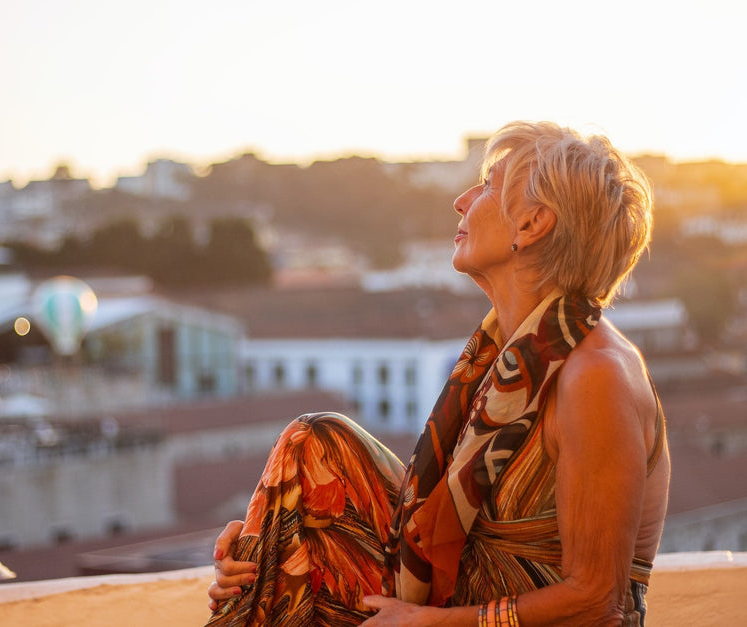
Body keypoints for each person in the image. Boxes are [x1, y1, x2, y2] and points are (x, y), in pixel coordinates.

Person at [206, 121, 671, 626]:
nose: (461, 200)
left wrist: (431, 624)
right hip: (455, 607)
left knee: (314, 440)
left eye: (489, 185)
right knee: (315, 445)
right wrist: (272, 534)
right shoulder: (510, 359)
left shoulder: (595, 376)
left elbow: (598, 603)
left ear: (532, 224)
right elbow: (422, 521)